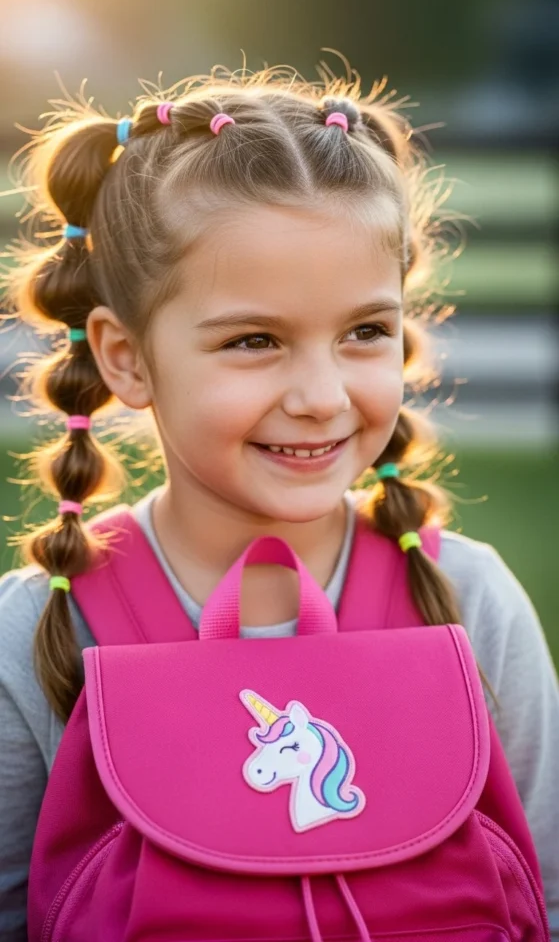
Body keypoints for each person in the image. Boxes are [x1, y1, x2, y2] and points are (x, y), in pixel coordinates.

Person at [0, 69, 557, 941]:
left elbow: (544, 898)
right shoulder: (39, 630)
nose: (321, 395)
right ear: (126, 357)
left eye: (364, 332)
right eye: (254, 341)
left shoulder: (471, 605)